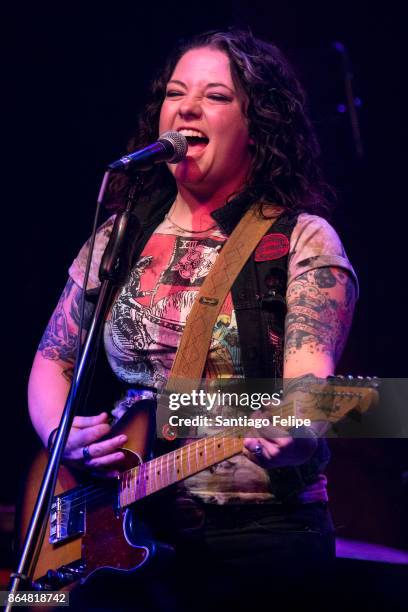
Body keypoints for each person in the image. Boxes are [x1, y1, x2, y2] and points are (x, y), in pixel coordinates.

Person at [28, 28, 358, 610]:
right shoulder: (120, 236)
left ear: (259, 125)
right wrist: (61, 435)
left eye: (217, 96)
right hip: (130, 526)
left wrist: (299, 432)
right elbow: (53, 359)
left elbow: (311, 381)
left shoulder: (301, 240)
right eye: (175, 92)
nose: (186, 108)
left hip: (259, 541)